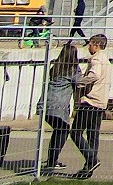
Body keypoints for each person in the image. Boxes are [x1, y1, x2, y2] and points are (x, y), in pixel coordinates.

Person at [71, 33, 112, 179]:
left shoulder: (96, 59)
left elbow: (94, 75)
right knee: (93, 135)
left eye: (90, 44)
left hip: (90, 101)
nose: (88, 46)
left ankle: (92, 159)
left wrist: (80, 82)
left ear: (96, 44)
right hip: (101, 102)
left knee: (75, 132)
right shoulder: (106, 60)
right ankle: (89, 168)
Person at [38, 43, 80, 172]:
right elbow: (79, 83)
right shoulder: (73, 69)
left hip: (46, 103)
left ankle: (52, 159)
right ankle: (52, 161)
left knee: (58, 130)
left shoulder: (55, 67)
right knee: (63, 130)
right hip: (59, 106)